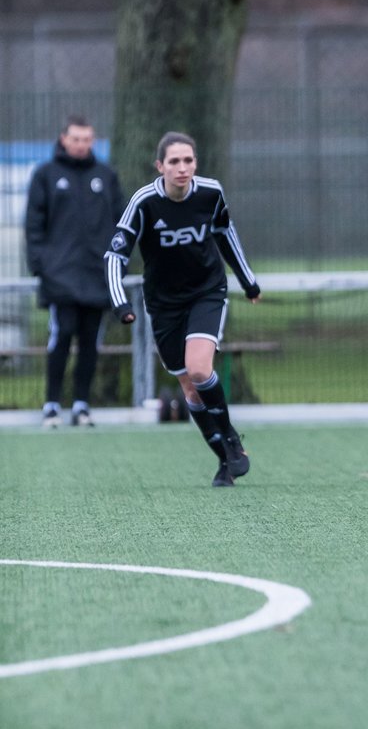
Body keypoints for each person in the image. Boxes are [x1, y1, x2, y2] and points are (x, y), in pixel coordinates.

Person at [103, 132, 260, 487]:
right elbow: (115, 255)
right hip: (163, 303)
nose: (182, 168)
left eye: (188, 160)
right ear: (160, 166)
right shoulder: (144, 203)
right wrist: (120, 304)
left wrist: (248, 282)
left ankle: (231, 437)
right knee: (190, 389)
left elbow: (225, 234)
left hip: (207, 291)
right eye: (174, 161)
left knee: (200, 369)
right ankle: (224, 459)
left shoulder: (210, 193)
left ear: (195, 163)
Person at [24, 115, 126, 428]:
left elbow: (122, 223)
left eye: (87, 139)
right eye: (76, 139)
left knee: (89, 341)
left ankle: (82, 405)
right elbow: (34, 224)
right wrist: (41, 265)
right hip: (61, 276)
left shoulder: (105, 176)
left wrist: (118, 264)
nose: (81, 145)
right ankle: (51, 405)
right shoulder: (46, 174)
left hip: (97, 275)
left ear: (92, 141)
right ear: (64, 139)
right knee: (62, 334)